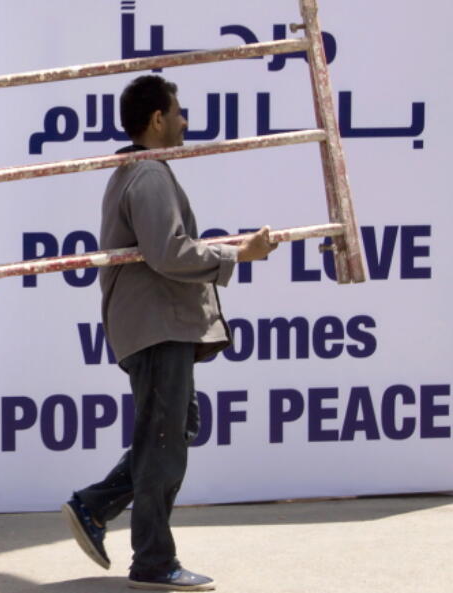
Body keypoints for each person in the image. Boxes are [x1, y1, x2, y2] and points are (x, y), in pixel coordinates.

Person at [62, 75, 276, 591]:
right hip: (155, 326)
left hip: (154, 324)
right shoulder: (149, 176)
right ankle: (153, 562)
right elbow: (169, 253)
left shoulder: (138, 172)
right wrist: (238, 254)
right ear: (157, 119)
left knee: (175, 430)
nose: (184, 121)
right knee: (163, 439)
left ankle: (94, 504)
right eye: (178, 112)